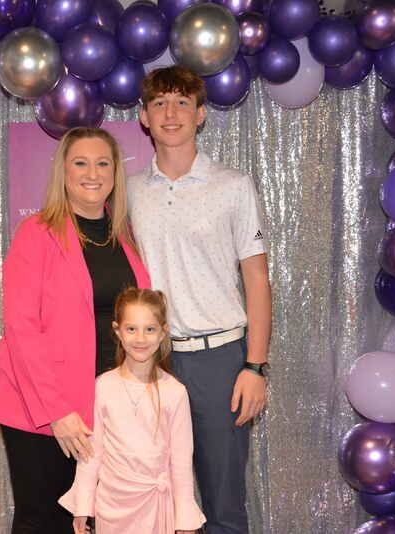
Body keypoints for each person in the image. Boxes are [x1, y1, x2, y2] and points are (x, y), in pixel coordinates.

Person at [127, 66, 272, 534]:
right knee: (152, 497)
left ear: (201, 114)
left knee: (223, 504)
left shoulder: (233, 185)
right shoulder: (127, 192)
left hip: (222, 361)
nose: (171, 114)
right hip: (152, 361)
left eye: (182, 103)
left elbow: (257, 280)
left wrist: (254, 367)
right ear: (144, 117)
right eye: (159, 104)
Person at [0, 127, 151, 533]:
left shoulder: (127, 239)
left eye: (103, 163)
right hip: (45, 412)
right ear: (63, 172)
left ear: (116, 173)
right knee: (45, 520)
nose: (92, 173)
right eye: (80, 163)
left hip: (108, 407)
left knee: (97, 521)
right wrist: (57, 413)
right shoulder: (37, 234)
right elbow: (21, 329)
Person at [59, 287, 206, 534]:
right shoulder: (102, 386)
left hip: (157, 508)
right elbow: (91, 454)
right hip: (112, 508)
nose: (140, 338)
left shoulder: (175, 392)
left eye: (149, 329)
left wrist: (185, 522)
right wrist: (83, 505)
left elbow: (181, 465)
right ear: (117, 331)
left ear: (163, 333)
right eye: (131, 329)